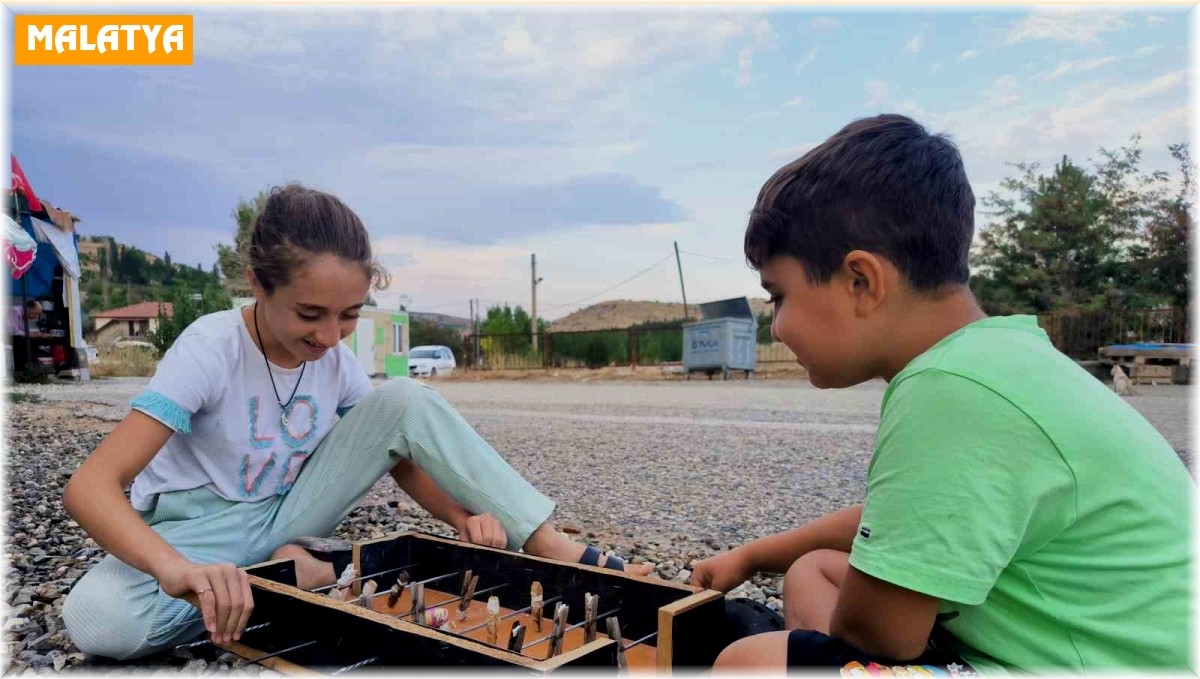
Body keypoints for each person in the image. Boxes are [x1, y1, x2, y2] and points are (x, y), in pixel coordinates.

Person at [62, 184, 651, 661]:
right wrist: (176, 569)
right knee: (100, 623)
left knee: (402, 397)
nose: (327, 336)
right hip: (199, 530)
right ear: (257, 280)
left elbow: (394, 442)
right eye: (310, 314)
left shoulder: (335, 359)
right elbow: (90, 487)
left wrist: (460, 516)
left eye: (348, 316)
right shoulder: (210, 347)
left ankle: (549, 542)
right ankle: (298, 576)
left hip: (287, 510)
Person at [690, 114, 1191, 673]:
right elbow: (913, 516)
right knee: (812, 571)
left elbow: (879, 634)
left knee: (749, 662)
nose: (777, 327)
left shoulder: (948, 389)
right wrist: (756, 556)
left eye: (778, 296)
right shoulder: (999, 358)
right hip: (1094, 643)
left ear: (862, 281)